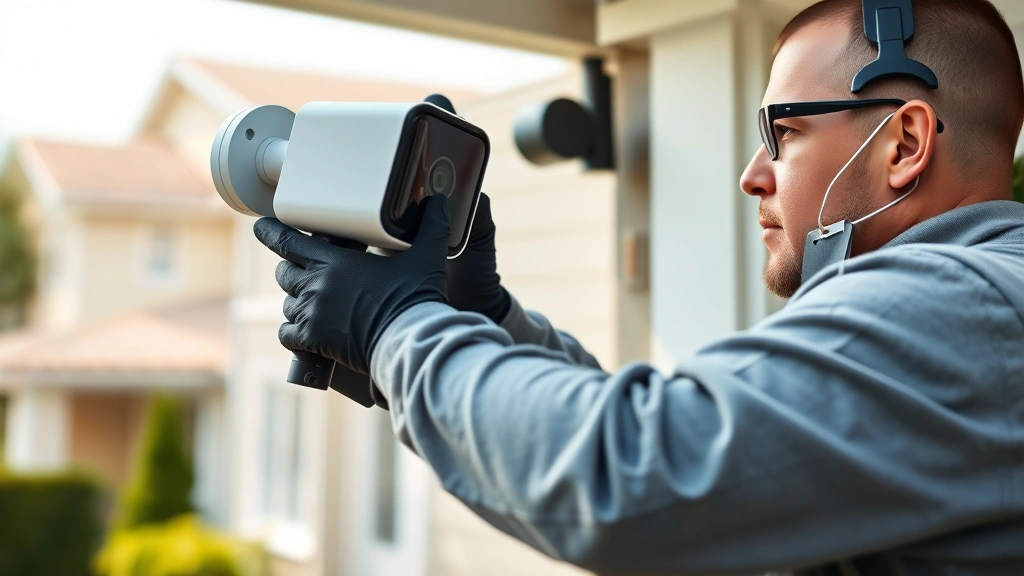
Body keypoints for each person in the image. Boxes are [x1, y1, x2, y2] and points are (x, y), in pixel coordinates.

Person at [253, 0, 1024, 573]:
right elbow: (698, 463)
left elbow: (628, 473)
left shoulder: (963, 304)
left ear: (905, 142)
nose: (752, 176)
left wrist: (397, 325)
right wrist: (484, 318)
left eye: (782, 134)